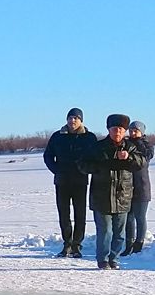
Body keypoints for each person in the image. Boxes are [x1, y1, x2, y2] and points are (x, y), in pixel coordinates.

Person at [83, 114, 143, 270]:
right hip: (101, 196)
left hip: (123, 196)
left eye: (121, 129)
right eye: (114, 129)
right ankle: (102, 259)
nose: (118, 132)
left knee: (119, 233)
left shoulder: (131, 147)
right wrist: (102, 165)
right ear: (109, 130)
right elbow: (83, 164)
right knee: (105, 231)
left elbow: (141, 162)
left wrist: (129, 157)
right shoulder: (98, 147)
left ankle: (114, 258)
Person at [42, 107, 97, 258]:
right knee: (64, 214)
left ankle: (77, 245)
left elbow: (95, 158)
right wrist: (56, 170)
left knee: (80, 214)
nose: (72, 121)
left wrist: (85, 169)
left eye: (76, 118)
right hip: (62, 181)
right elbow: (48, 156)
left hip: (80, 181)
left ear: (81, 120)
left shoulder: (89, 137)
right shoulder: (57, 136)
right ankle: (67, 243)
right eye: (70, 118)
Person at [122, 120, 154, 255]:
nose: (133, 133)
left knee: (140, 217)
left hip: (142, 186)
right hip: (127, 186)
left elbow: (147, 157)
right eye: (131, 130)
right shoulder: (125, 144)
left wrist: (138, 142)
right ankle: (128, 244)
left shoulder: (146, 146)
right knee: (128, 218)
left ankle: (139, 243)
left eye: (136, 130)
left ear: (142, 132)